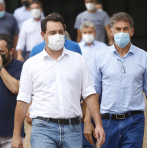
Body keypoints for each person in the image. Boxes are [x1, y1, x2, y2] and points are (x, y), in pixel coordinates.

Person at [11, 13, 105, 148]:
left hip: (73, 129)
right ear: (43, 35)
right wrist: (16, 135)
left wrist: (98, 125)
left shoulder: (78, 60)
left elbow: (89, 94)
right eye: (52, 32)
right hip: (43, 129)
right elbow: (22, 101)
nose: (57, 36)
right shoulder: (31, 64)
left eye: (61, 32)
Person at [85, 12, 147, 148]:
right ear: (111, 32)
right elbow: (93, 92)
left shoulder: (144, 57)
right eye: (118, 29)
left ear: (132, 31)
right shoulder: (99, 57)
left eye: (125, 29)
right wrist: (88, 121)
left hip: (134, 121)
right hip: (107, 122)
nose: (122, 32)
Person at [78, 21, 107, 148]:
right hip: (81, 91)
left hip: (100, 90)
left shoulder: (103, 47)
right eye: (85, 32)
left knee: (99, 119)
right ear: (81, 33)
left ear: (95, 33)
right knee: (84, 121)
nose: (88, 35)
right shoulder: (77, 47)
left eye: (90, 32)